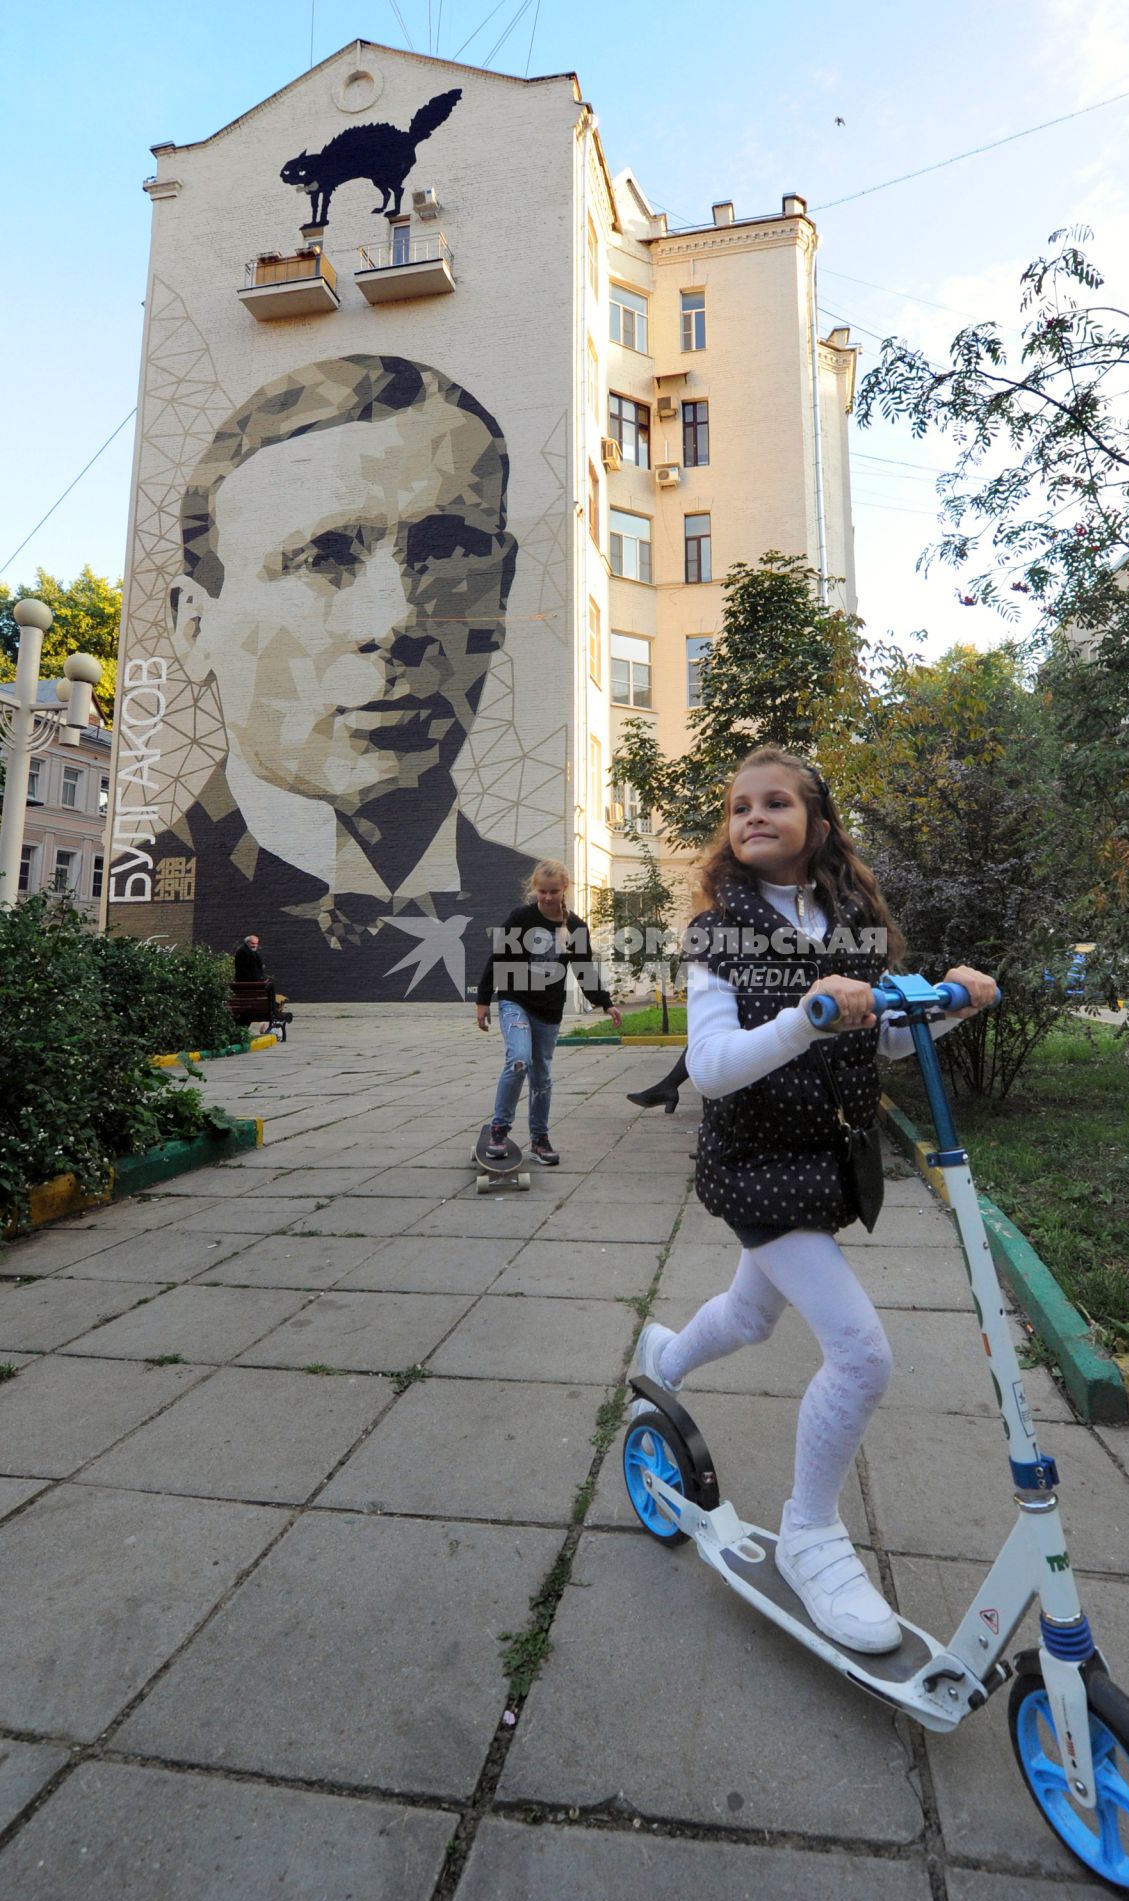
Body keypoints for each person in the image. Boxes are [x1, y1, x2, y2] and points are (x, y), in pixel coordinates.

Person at [631, 746, 997, 1653]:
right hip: (757, 1163)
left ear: (818, 825)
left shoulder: (850, 920)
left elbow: (894, 1046)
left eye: (776, 803)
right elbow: (712, 1071)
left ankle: (665, 1361)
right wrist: (804, 1015)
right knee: (862, 1356)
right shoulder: (718, 933)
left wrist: (953, 1005)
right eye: (739, 806)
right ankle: (810, 1534)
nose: (753, 816)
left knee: (753, 1315)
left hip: (824, 1162)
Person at [141, 353, 533, 1001]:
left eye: (445, 549)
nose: (399, 617)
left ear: (503, 586)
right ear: (195, 628)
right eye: (324, 556)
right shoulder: (153, 891)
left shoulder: (529, 893)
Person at [475, 860, 622, 1166]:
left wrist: (605, 1002)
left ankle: (539, 1140)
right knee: (519, 1059)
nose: (548, 897)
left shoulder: (576, 928)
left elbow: (584, 970)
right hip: (515, 1001)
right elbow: (499, 958)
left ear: (564, 889)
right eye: (542, 891)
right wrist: (483, 1000)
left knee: (541, 1076)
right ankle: (499, 1131)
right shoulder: (521, 918)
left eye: (554, 891)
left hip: (549, 1010)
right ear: (534, 888)